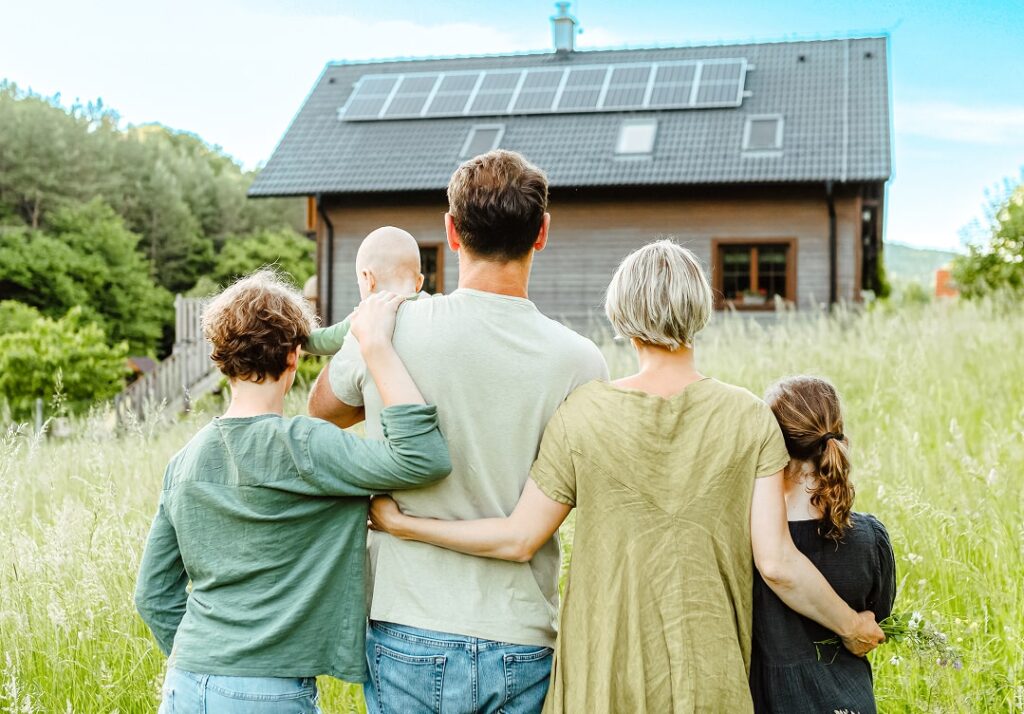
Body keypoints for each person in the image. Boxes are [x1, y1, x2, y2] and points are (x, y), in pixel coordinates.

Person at [369, 240, 886, 713]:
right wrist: (851, 625)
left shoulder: (583, 413)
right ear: (699, 309)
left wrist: (404, 524)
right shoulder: (749, 418)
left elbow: (518, 538)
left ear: (621, 313)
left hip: (601, 679)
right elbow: (777, 564)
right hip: (708, 681)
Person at [308, 149, 608, 713]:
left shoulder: (390, 326)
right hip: (522, 635)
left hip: (406, 622)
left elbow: (323, 412)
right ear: (542, 233)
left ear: (450, 232)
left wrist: (366, 324)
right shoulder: (582, 362)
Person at [134, 269, 451, 713]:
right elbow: (424, 457)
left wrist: (208, 657)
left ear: (221, 358)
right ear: (293, 357)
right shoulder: (305, 445)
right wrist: (376, 345)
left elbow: (152, 595)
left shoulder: (183, 462)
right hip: (266, 692)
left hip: (184, 683)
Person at [750, 376, 896, 714]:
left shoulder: (748, 541)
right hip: (850, 701)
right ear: (840, 438)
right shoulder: (870, 538)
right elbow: (878, 619)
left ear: (771, 446)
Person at [304, 226, 429, 356]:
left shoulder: (365, 317)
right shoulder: (435, 308)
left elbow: (322, 341)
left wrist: (295, 333)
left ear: (368, 278)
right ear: (419, 282)